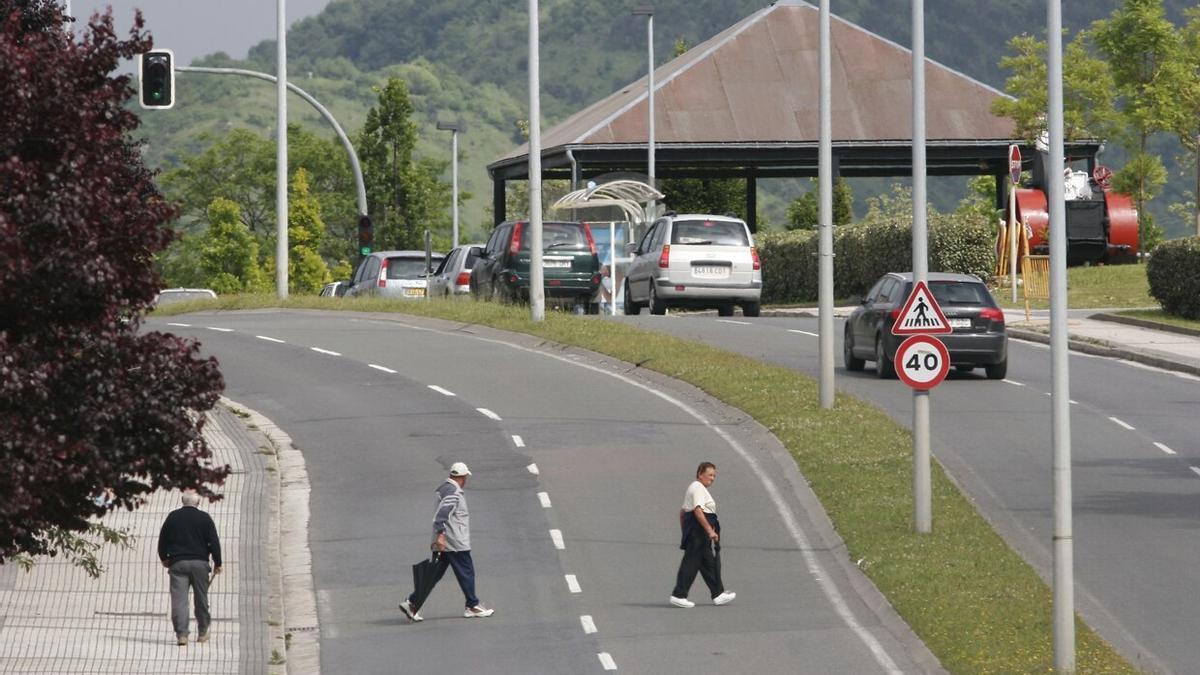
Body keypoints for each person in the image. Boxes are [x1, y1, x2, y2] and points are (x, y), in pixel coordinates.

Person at [398, 462, 495, 621]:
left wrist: (439, 537)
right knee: (466, 572)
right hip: (454, 542)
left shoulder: (442, 488)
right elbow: (442, 515)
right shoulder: (454, 493)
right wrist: (441, 535)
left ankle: (412, 603)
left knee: (432, 575)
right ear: (463, 478)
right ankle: (472, 605)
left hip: (443, 542)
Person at [158, 490, 222, 646]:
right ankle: (202, 632)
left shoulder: (172, 517)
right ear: (198, 503)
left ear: (182, 501)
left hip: (178, 563)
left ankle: (182, 635)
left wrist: (164, 558)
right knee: (201, 598)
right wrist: (218, 562)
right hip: (200, 564)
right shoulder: (205, 518)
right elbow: (214, 542)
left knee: (179, 600)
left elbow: (163, 539)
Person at [670, 462, 735, 608]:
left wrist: (686, 531)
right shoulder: (698, 488)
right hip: (698, 531)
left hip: (697, 531)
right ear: (700, 473)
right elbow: (698, 511)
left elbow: (682, 513)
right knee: (691, 562)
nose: (712, 478)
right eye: (710, 475)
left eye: (714, 476)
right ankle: (679, 595)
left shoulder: (697, 488)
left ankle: (717, 593)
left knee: (708, 563)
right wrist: (710, 531)